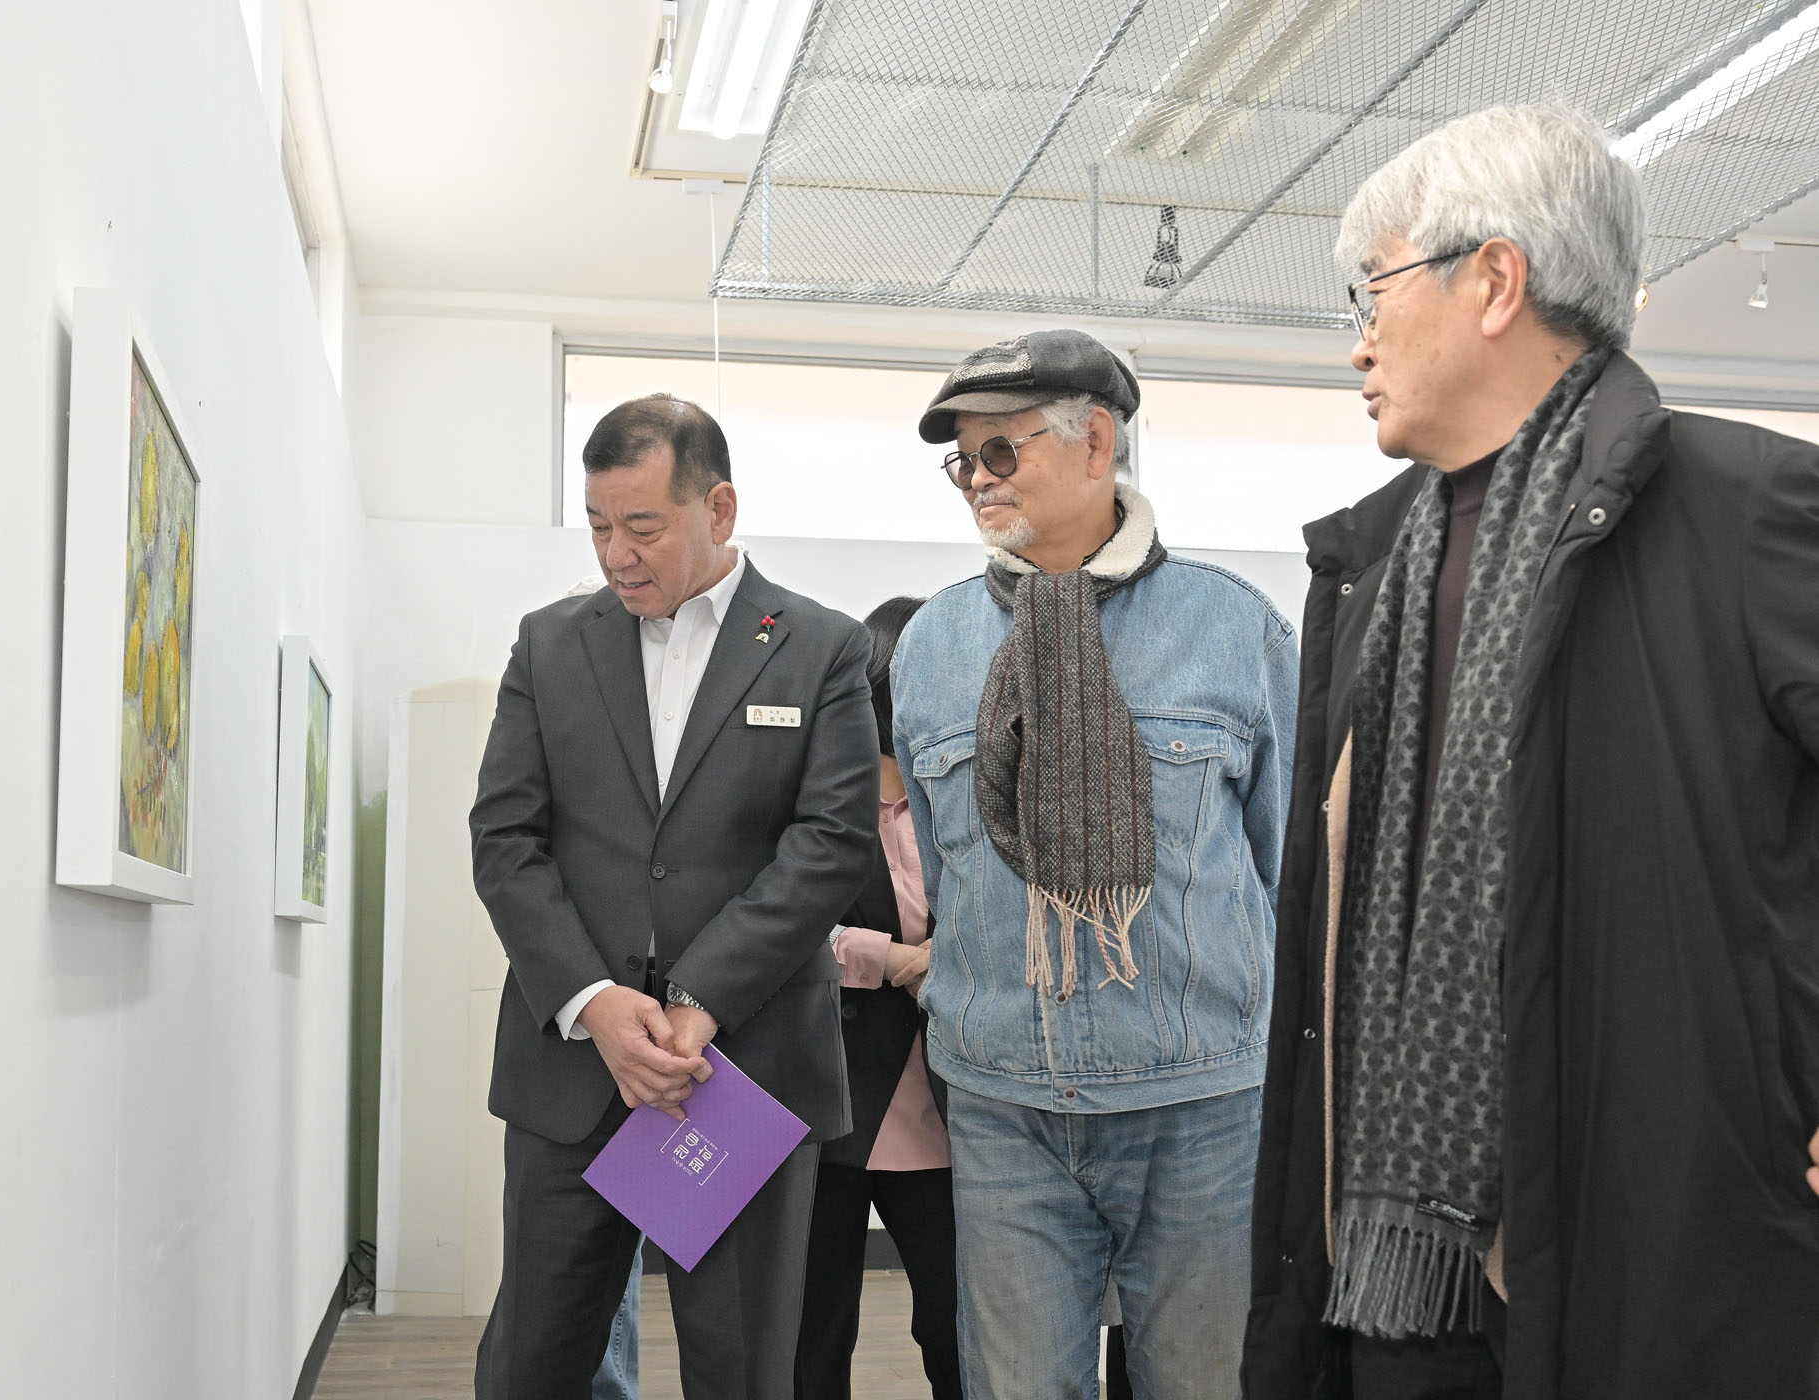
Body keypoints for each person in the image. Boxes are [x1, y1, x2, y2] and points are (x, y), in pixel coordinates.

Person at [1242, 104, 1819, 1400]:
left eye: (1375, 288)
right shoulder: (1371, 564)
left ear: (1495, 280)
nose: (1357, 340)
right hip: (1387, 1267)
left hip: (1652, 1244)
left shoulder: (1744, 511)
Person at [892, 329, 1298, 1399]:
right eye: (963, 461)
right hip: (1005, 1103)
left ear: (1096, 443)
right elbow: (946, 869)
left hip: (1203, 1102)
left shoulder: (1235, 629)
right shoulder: (932, 646)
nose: (979, 480)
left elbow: (1288, 869)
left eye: (1002, 450)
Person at [468, 393, 878, 1400]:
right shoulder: (550, 644)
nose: (617, 555)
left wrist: (699, 999)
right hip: (575, 1068)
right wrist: (597, 1004)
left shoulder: (820, 647)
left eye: (643, 527)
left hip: (738, 1070)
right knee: (532, 1364)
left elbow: (830, 842)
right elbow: (506, 839)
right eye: (598, 525)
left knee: (739, 1368)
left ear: (718, 508)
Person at [797, 596, 960, 1400]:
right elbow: (778, 927)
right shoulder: (816, 801)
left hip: (948, 1108)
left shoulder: (962, 802)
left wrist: (951, 959)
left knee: (958, 1325)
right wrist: (893, 959)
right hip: (829, 1100)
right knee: (815, 1330)